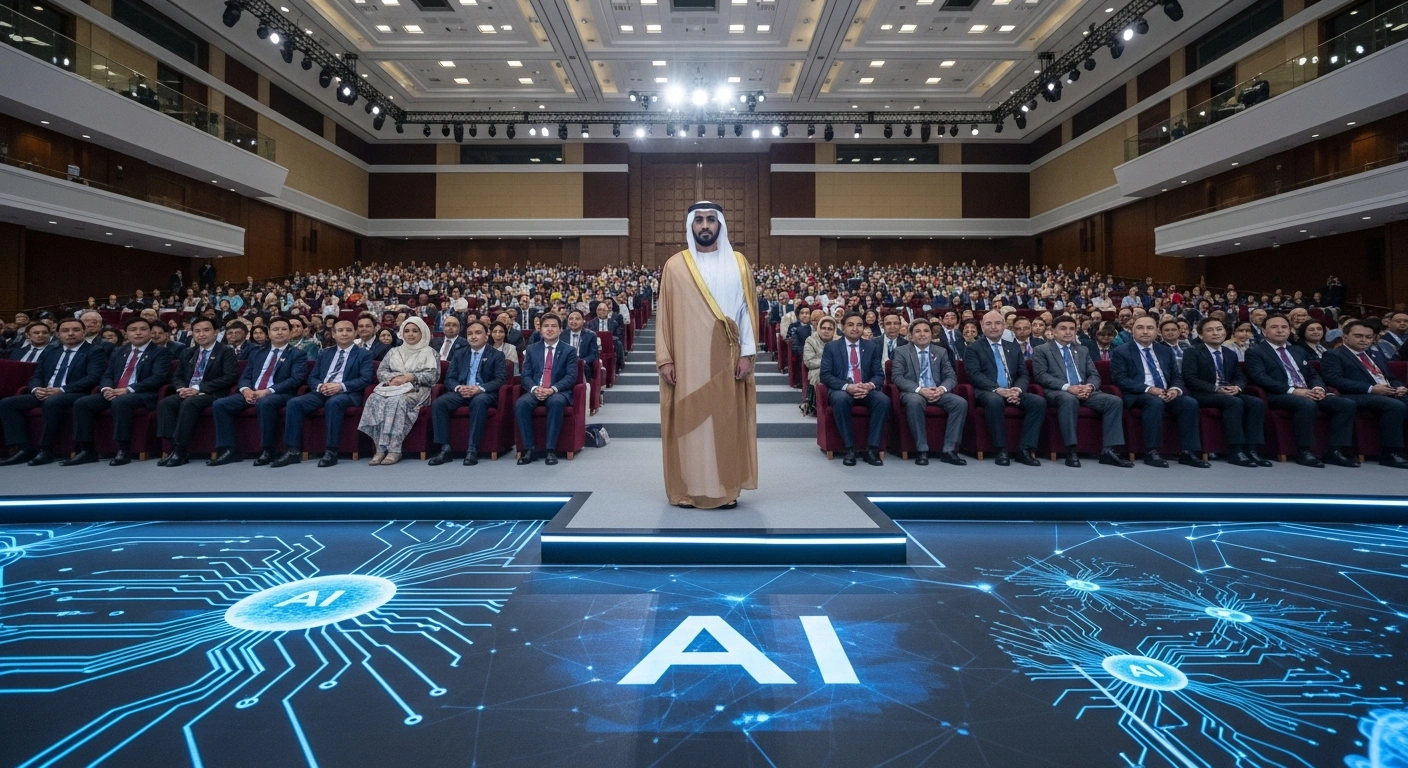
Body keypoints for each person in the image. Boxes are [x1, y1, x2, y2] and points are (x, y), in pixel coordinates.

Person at [656, 202, 757, 507]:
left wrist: (747, 355)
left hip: (727, 355)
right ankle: (687, 488)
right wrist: (666, 358)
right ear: (690, 226)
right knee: (688, 421)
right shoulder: (674, 265)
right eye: (698, 220)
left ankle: (726, 488)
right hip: (687, 356)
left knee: (725, 421)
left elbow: (746, 314)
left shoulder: (739, 263)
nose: (704, 225)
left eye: (710, 220)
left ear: (720, 225)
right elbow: (665, 316)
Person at [1245, 314, 1358, 468]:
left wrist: (1318, 388)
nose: (1280, 330)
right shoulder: (1255, 352)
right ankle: (1304, 451)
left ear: (1290, 330)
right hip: (1279, 394)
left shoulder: (1298, 350)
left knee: (1346, 404)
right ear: (1264, 331)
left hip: (1307, 391)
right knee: (1306, 404)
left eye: (1284, 327)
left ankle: (1335, 451)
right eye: (1274, 327)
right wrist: (1293, 391)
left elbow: (1312, 374)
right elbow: (1260, 378)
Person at [65, 317, 172, 466]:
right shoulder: (119, 351)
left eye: (143, 329)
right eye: (133, 330)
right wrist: (107, 388)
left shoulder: (161, 352)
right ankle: (87, 450)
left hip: (142, 394)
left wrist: (127, 390)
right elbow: (108, 374)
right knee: (82, 403)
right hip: (115, 392)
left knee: (121, 402)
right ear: (126, 333)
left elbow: (157, 378)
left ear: (150, 332)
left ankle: (123, 449)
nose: (138, 333)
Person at [0, 318, 107, 466]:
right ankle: (24, 448)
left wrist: (61, 390)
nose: (70, 334)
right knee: (7, 404)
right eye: (65, 330)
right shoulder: (51, 351)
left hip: (76, 393)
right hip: (46, 392)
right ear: (57, 334)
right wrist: (37, 389)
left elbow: (94, 377)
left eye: (75, 330)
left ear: (84, 332)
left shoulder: (94, 351)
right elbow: (37, 375)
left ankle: (46, 450)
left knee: (53, 402)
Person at [271, 319, 375, 468]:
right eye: (340, 330)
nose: (344, 333)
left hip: (347, 393)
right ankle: (292, 451)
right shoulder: (325, 353)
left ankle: (331, 451)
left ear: (355, 333)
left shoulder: (363, 354)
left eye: (348, 330)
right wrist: (320, 386)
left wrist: (340, 386)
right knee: (294, 403)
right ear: (333, 334)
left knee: (334, 402)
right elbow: (312, 377)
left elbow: (365, 379)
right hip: (322, 391)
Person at [1032, 315, 1131, 468]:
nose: (1068, 332)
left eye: (1072, 329)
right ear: (1053, 331)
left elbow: (1094, 374)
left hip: (1085, 390)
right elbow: (1041, 375)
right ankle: (1071, 449)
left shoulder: (1082, 350)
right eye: (1063, 329)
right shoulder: (1042, 350)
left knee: (1114, 401)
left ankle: (1109, 451)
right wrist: (1068, 387)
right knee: (1069, 399)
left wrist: (1090, 387)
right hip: (1058, 391)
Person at [1110, 316, 1209, 468]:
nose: (1145, 331)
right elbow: (1120, 379)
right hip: (1139, 394)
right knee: (1154, 402)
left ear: (1157, 331)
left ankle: (1188, 452)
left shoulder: (1165, 351)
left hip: (1166, 392)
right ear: (1132, 331)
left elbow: (1176, 376)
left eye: (1150, 328)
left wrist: (1175, 390)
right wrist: (1150, 389)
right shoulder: (1121, 351)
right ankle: (1152, 451)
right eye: (1140, 327)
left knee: (1189, 403)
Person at [208, 317, 309, 466]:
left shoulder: (297, 354)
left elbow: (296, 379)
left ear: (290, 332)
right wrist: (245, 390)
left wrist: (267, 391)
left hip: (279, 394)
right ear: (269, 332)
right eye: (275, 329)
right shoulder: (258, 352)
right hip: (253, 392)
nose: (279, 332)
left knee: (265, 403)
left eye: (283, 329)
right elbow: (246, 376)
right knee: (220, 404)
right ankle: (230, 450)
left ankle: (268, 450)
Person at [1181, 317, 1270, 468]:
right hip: (1204, 393)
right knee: (1234, 402)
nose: (1216, 333)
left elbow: (1238, 376)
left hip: (1228, 391)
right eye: (1210, 330)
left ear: (1225, 332)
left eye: (1219, 329)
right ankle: (1235, 451)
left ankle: (1251, 449)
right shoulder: (1193, 352)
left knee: (1256, 403)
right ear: (1201, 335)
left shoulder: (1229, 353)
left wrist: (1237, 387)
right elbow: (1190, 378)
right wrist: (1216, 389)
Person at [1319, 320, 1408, 468]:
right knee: (1394, 406)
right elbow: (1334, 380)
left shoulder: (1375, 354)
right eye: (1359, 336)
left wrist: (1399, 387)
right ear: (1345, 337)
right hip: (1353, 394)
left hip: (1385, 392)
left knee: (1401, 400)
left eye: (1368, 337)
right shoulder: (1334, 354)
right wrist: (1371, 388)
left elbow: (1391, 377)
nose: (1364, 340)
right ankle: (1390, 453)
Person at [964, 311, 1045, 466]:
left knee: (1038, 402)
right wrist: (998, 389)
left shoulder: (1013, 347)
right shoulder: (974, 348)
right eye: (989, 323)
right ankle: (1001, 449)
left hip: (1013, 390)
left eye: (998, 323)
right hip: (988, 391)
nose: (993, 327)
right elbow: (975, 375)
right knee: (995, 401)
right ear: (982, 326)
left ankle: (1025, 450)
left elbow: (1023, 374)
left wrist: (1017, 390)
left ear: (1004, 326)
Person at [156, 317, 238, 467]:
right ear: (192, 334)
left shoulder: (226, 351)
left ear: (215, 332)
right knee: (165, 403)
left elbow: (229, 377)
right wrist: (181, 388)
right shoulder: (188, 352)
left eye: (206, 330)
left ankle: (180, 450)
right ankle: (175, 446)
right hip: (188, 392)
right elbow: (178, 376)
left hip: (212, 393)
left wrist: (198, 389)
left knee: (190, 403)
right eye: (197, 331)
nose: (201, 334)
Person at [358, 317, 439, 466]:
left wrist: (411, 377)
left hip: (417, 389)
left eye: (415, 331)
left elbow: (433, 376)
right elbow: (381, 371)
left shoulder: (430, 352)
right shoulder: (393, 351)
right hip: (392, 387)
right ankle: (380, 448)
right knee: (374, 399)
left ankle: (395, 449)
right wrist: (394, 379)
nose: (410, 334)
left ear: (423, 333)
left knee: (397, 401)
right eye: (407, 331)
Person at [429, 319, 507, 466]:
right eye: (470, 333)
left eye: (478, 333)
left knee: (479, 401)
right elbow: (449, 379)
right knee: (439, 403)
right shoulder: (460, 354)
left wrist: (479, 389)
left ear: (486, 335)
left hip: (483, 392)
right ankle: (445, 448)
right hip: (461, 391)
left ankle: (472, 449)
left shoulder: (496, 355)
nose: (473, 336)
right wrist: (459, 388)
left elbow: (500, 379)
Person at [890, 318, 966, 466]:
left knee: (960, 403)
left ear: (932, 334)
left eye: (926, 331)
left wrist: (941, 389)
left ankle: (949, 450)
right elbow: (897, 377)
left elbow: (951, 376)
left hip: (937, 391)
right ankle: (922, 450)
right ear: (910, 336)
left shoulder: (941, 351)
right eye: (917, 331)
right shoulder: (901, 351)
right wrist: (920, 390)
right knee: (914, 401)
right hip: (914, 391)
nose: (922, 334)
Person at [820, 312, 891, 466]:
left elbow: (879, 374)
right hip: (842, 389)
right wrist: (848, 387)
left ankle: (871, 449)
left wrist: (869, 385)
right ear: (842, 327)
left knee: (883, 401)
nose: (855, 328)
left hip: (865, 389)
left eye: (859, 325)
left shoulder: (871, 346)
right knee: (841, 399)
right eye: (850, 325)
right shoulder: (832, 347)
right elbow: (825, 375)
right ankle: (850, 449)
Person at [516, 313, 579, 466]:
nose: (549, 329)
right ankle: (529, 449)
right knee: (521, 404)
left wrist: (552, 389)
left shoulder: (569, 350)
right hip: (536, 389)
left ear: (560, 330)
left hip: (558, 391)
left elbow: (571, 377)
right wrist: (535, 388)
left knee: (556, 403)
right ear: (540, 330)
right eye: (546, 326)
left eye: (553, 326)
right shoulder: (531, 349)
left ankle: (551, 449)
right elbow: (525, 375)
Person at [563, 310, 600, 415]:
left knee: (583, 368)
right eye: (571, 319)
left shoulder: (590, 335)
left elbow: (594, 354)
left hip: (583, 365)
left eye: (577, 319)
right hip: (565, 364)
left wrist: (583, 361)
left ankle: (585, 407)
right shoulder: (562, 335)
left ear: (583, 321)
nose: (573, 321)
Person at [802, 315, 836, 416]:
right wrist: (828, 363)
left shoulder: (840, 340)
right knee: (821, 375)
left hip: (837, 369)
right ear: (819, 328)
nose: (826, 331)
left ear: (834, 330)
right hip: (817, 370)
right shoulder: (811, 340)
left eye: (830, 329)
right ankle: (820, 407)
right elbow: (809, 361)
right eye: (823, 328)